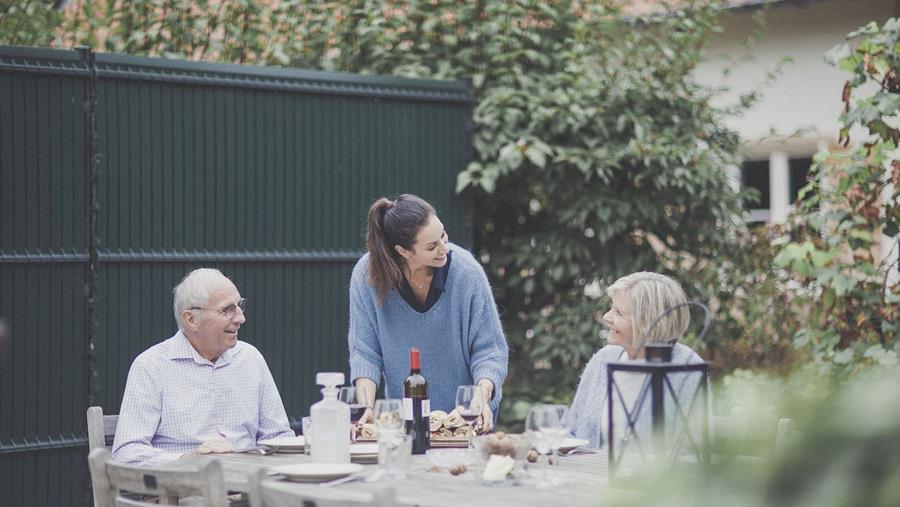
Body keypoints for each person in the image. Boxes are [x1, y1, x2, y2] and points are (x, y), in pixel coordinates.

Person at [348, 194, 508, 430]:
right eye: (432, 246)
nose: (444, 248)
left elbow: (490, 353)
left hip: (465, 421)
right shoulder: (366, 276)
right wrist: (366, 408)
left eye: (443, 235)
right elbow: (365, 353)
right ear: (404, 251)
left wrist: (480, 397)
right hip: (405, 423)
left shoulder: (467, 273)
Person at [112, 268, 294, 466]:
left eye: (240, 306)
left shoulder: (251, 358)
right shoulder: (151, 367)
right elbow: (126, 453)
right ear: (191, 319)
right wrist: (187, 459)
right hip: (181, 483)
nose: (240, 318)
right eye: (227, 310)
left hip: (248, 481)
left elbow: (278, 437)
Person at [566, 272, 706, 449]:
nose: (607, 317)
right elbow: (571, 430)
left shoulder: (686, 369)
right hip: (584, 467)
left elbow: (692, 449)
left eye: (618, 313)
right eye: (611, 308)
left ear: (650, 323)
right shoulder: (603, 360)